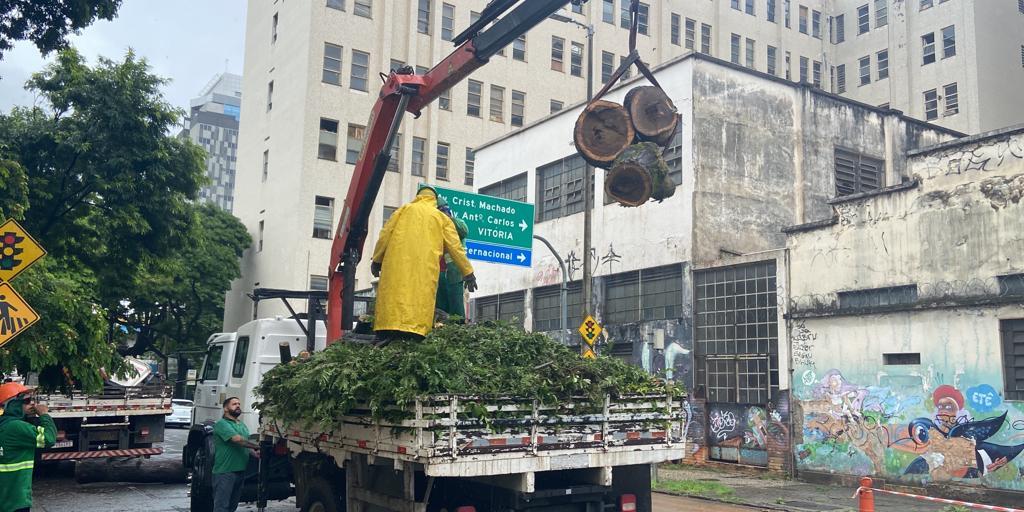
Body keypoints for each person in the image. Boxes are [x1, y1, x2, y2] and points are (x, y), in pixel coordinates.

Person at [370, 185, 476, 340]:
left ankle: (387, 329)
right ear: (434, 199)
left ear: (418, 196)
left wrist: (377, 260)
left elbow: (384, 235)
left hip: (395, 268)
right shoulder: (440, 218)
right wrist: (468, 272)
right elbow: (456, 248)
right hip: (425, 270)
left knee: (394, 296)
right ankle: (414, 332)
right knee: (419, 299)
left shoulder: (402, 211)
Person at [0, 382, 56, 512]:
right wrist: (44, 415)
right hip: (15, 500)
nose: (31, 404)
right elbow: (49, 439)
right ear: (12, 404)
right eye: (26, 400)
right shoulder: (16, 427)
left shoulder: (5, 425)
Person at [212, 397, 258, 512]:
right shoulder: (222, 424)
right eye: (234, 404)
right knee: (222, 507)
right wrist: (257, 446)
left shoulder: (241, 425)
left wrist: (255, 453)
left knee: (232, 506)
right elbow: (237, 440)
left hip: (240, 471)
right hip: (225, 472)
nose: (238, 406)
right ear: (225, 408)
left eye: (239, 404)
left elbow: (243, 445)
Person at [435, 202, 470, 320]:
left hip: (454, 273)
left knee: (456, 310)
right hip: (437, 273)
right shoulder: (434, 227)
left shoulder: (456, 224)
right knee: (439, 310)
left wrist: (448, 218)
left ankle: (457, 330)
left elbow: (464, 231)